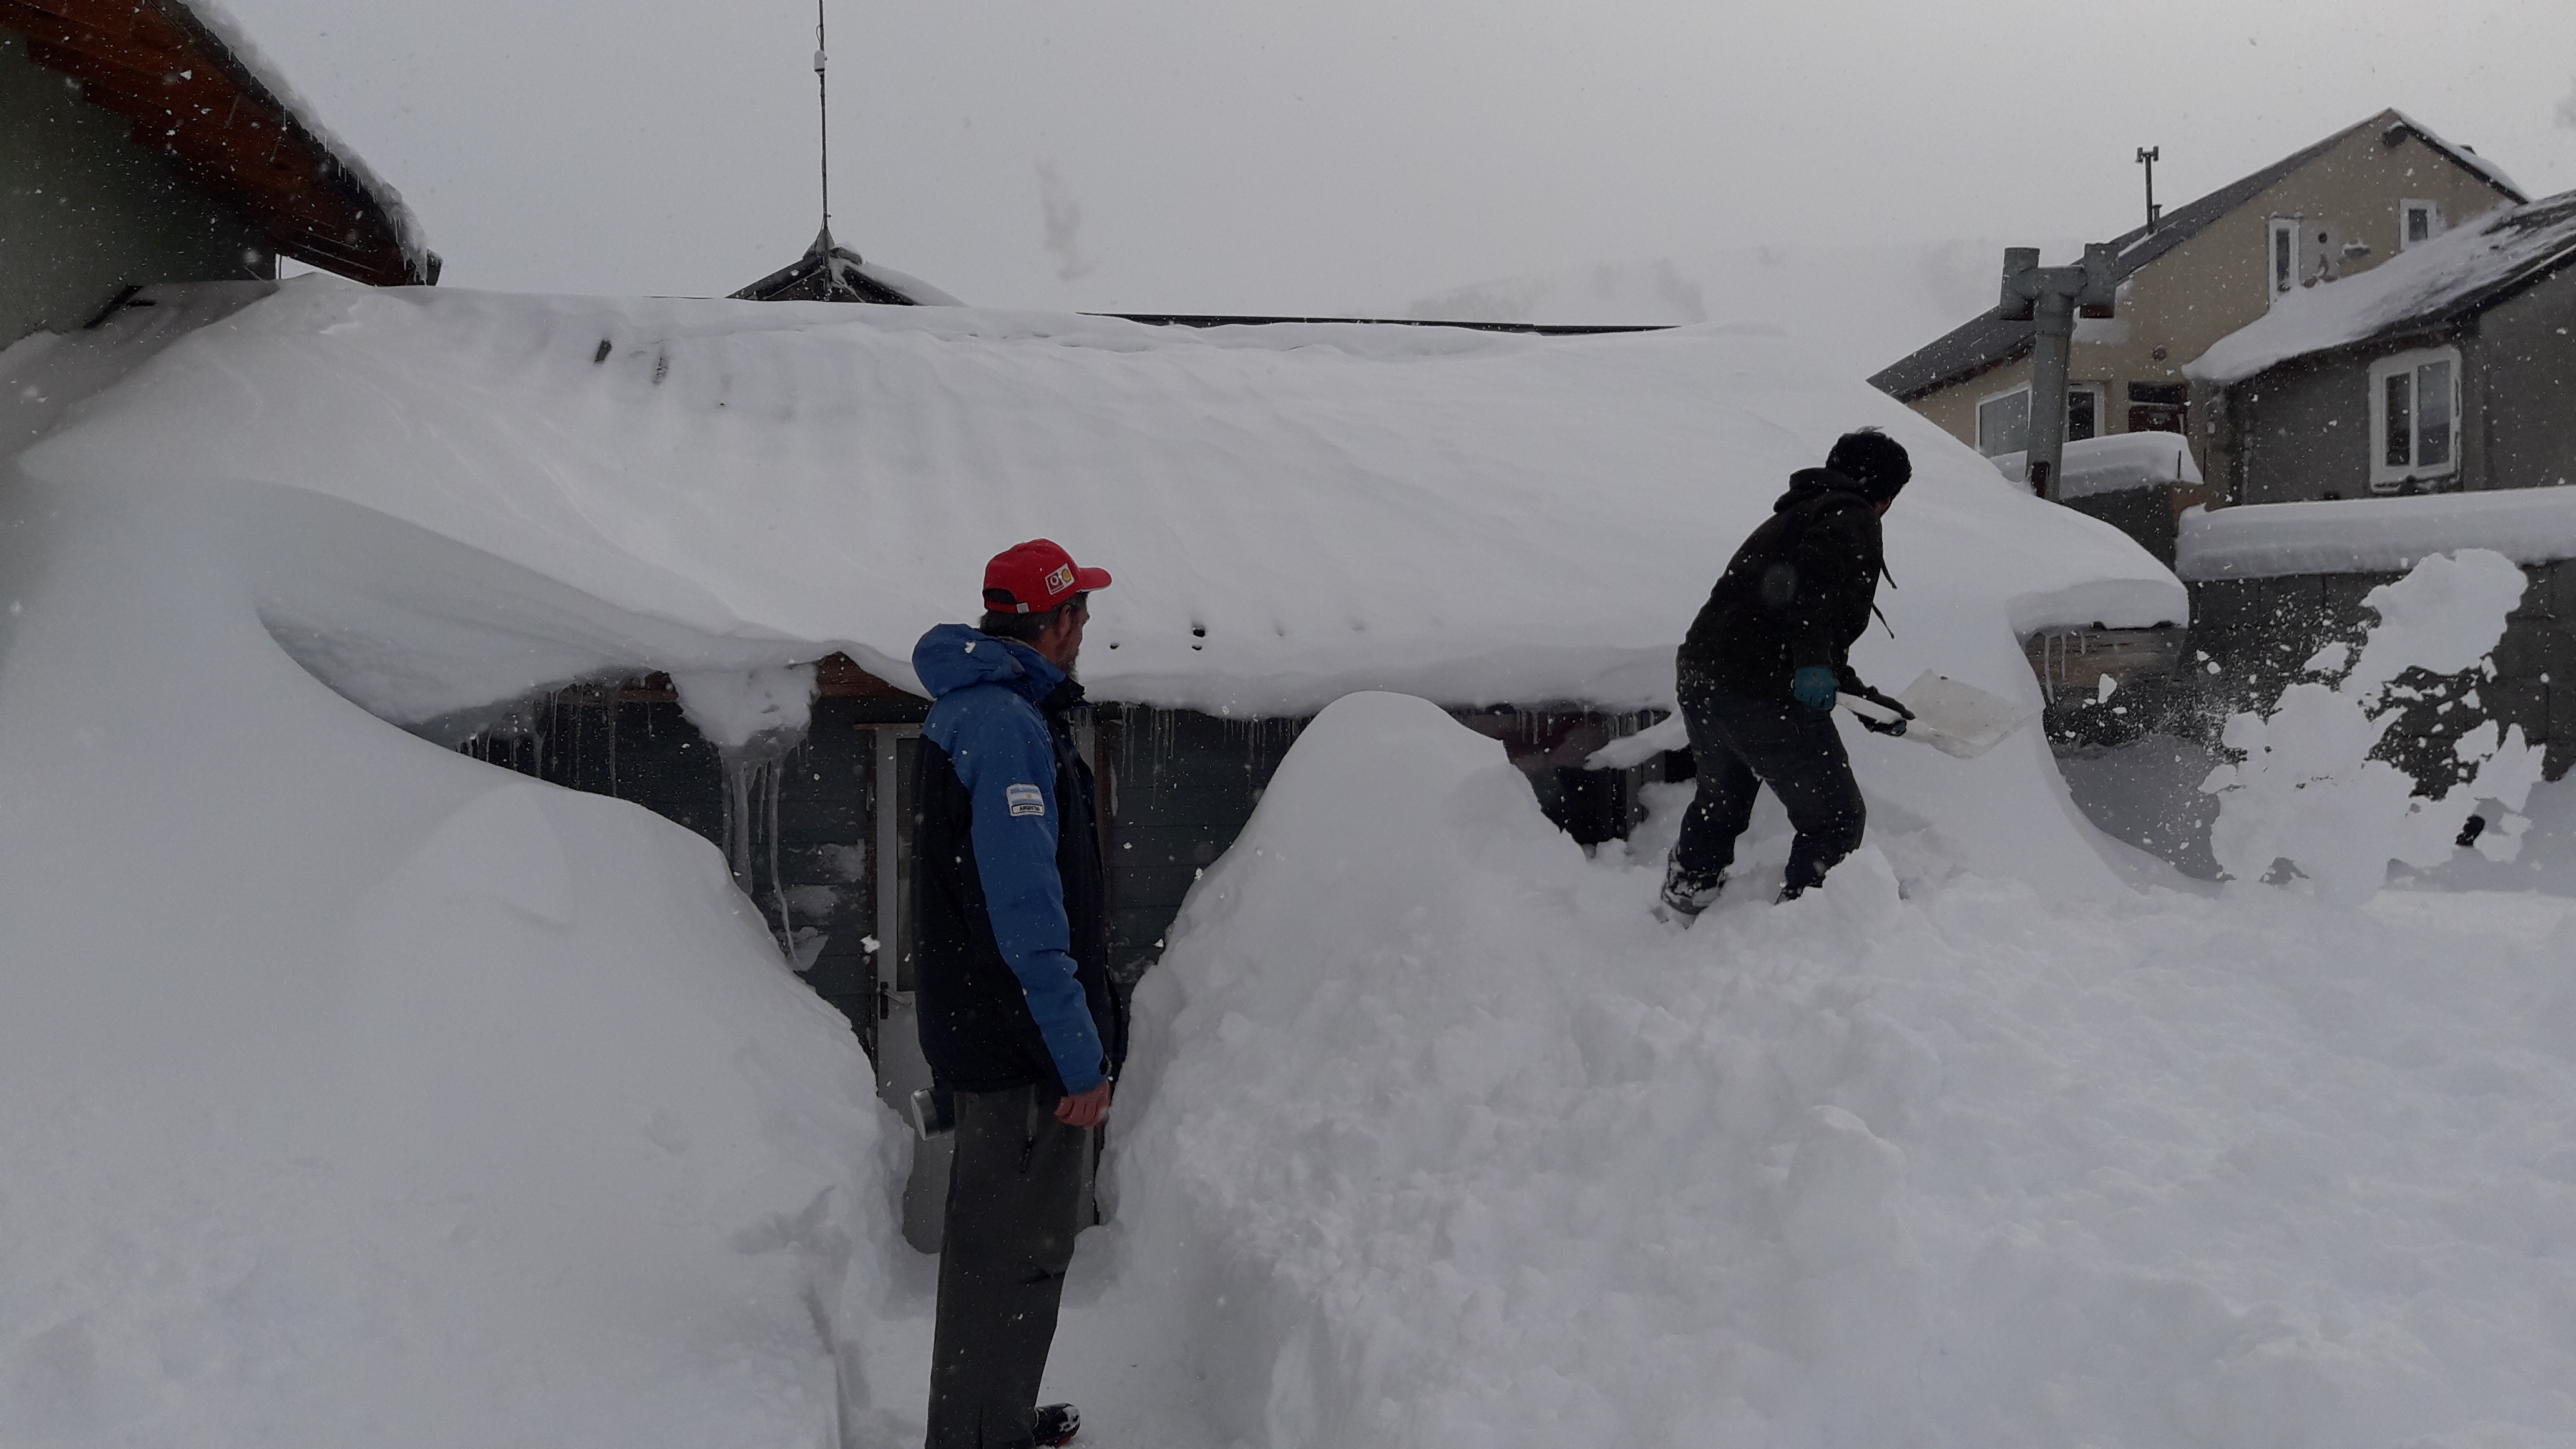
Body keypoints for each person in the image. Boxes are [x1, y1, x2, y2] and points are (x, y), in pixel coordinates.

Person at [910, 538, 1123, 1449]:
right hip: (1020, 1044)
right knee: (1016, 1255)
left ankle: (987, 1417)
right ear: (1058, 620)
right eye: (1082, 614)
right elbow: (1028, 913)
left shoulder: (983, 711)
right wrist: (1078, 1055)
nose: (1087, 631)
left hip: (994, 1029)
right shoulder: (1004, 726)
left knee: (1001, 1249)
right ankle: (977, 1435)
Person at [1661, 429, 1915, 920]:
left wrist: (1862, 700)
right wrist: (1815, 667)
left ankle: (1685, 899)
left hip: (1704, 675)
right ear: (1883, 492)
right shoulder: (1850, 515)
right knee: (1836, 819)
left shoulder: (1797, 515)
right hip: (1759, 688)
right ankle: (1806, 932)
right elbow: (1811, 596)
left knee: (1722, 799)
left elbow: (1790, 615)